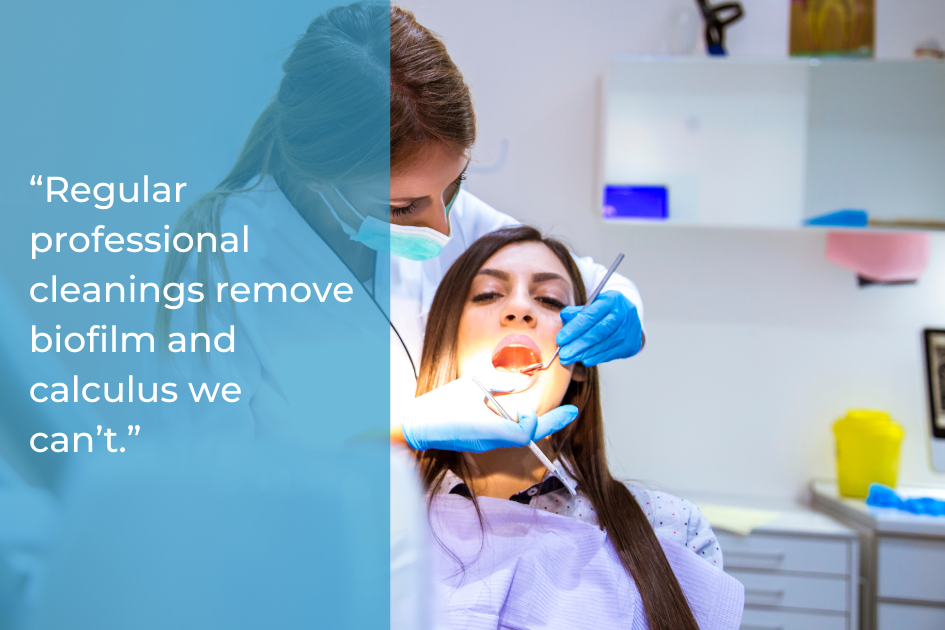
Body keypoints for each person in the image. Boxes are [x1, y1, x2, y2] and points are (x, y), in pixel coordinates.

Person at [156, 2, 646, 452]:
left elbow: (575, 276)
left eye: (454, 186)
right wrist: (401, 431)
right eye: (402, 208)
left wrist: (620, 310)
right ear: (320, 180)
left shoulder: (443, 207)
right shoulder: (221, 256)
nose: (444, 227)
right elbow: (208, 478)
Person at [414, 226, 744, 630]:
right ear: (445, 340)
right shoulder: (377, 510)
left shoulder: (670, 529)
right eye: (487, 294)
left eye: (549, 299)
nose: (519, 309)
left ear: (582, 368)